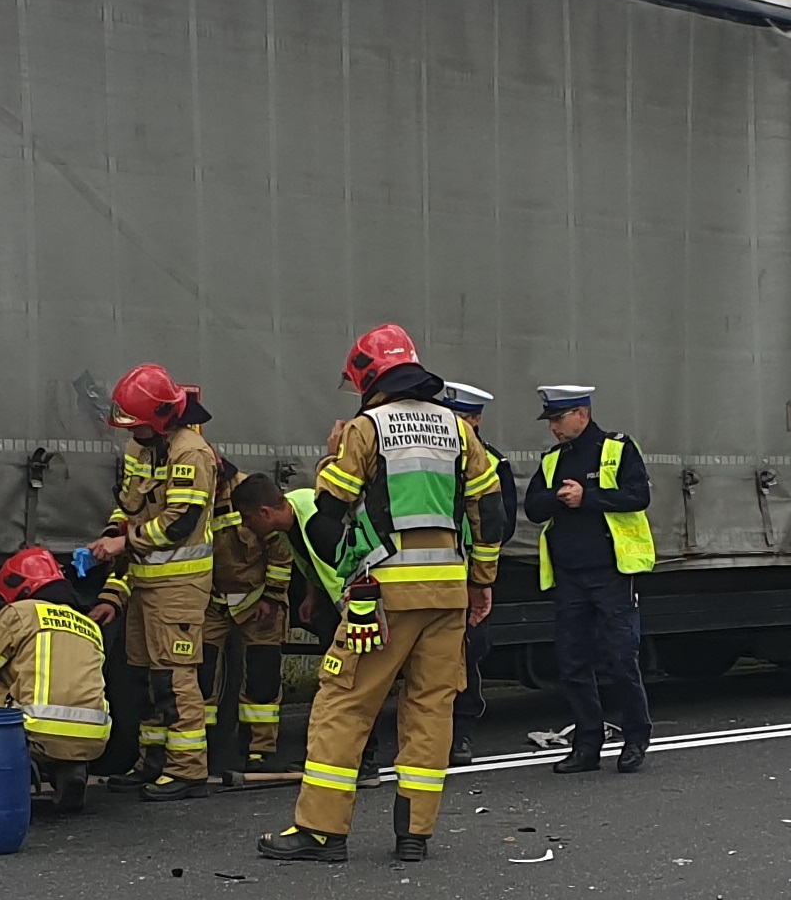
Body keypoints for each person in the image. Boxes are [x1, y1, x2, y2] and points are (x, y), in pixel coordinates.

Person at [261, 323, 504, 866]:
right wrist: (481, 581)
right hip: (448, 594)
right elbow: (490, 513)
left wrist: (330, 461)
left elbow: (327, 518)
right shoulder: (459, 429)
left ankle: (321, 832)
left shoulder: (365, 430)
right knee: (430, 709)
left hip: (383, 597)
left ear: (368, 379)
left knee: (344, 705)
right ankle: (414, 833)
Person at [94, 363, 225, 791]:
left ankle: (187, 769)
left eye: (138, 423)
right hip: (144, 580)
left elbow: (180, 523)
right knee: (144, 676)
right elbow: (128, 504)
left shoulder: (191, 452)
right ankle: (152, 761)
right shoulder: (142, 447)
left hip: (179, 586)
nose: (132, 431)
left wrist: (125, 543)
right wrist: (113, 533)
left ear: (162, 418)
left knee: (174, 677)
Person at [522, 383, 654, 773]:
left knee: (621, 658)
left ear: (583, 414)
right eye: (550, 421)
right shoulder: (553, 459)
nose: (553, 428)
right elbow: (533, 507)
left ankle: (635, 739)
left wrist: (588, 496)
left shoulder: (617, 448)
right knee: (572, 663)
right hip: (569, 576)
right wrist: (557, 497)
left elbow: (638, 496)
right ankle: (587, 745)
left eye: (559, 419)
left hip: (611, 572)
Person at [0, 545, 116, 814]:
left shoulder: (22, 611)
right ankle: (70, 768)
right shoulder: (89, 625)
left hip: (36, 731)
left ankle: (13, 771)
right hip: (94, 736)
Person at [203, 475, 302, 786]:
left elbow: (281, 550)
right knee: (202, 673)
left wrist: (272, 597)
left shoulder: (250, 498)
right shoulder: (193, 496)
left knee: (262, 676)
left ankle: (259, 752)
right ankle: (198, 747)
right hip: (213, 602)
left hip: (259, 601)